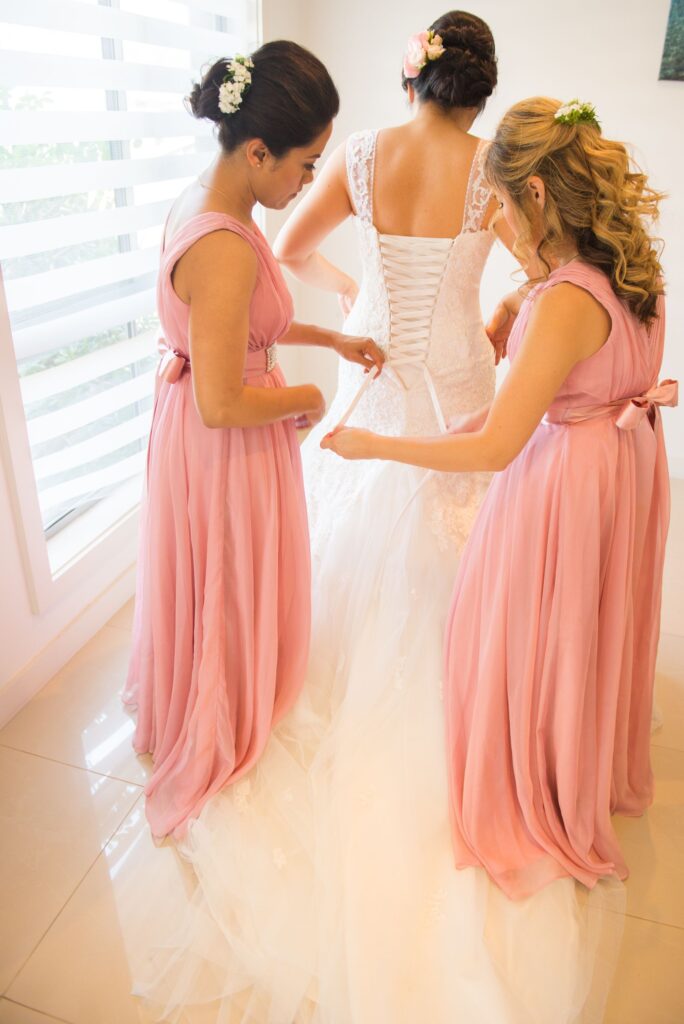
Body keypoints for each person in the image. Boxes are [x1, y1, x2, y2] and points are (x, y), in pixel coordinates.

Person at [323, 96, 676, 904]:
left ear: (540, 195)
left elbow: (494, 448)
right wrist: (516, 325)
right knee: (592, 617)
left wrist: (377, 445)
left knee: (534, 623)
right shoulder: (634, 269)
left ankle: (538, 770)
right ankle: (577, 749)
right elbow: (576, 380)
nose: (504, 221)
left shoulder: (563, 300)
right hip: (625, 462)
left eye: (506, 202)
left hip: (569, 479)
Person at [123, 40, 383, 841]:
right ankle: (221, 706)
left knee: (219, 575)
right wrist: (308, 397)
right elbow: (223, 400)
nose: (310, 183)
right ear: (260, 149)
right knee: (228, 575)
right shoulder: (225, 243)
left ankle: (224, 684)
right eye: (306, 166)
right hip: (224, 446)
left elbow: (236, 328)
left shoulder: (210, 201)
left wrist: (328, 341)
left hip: (204, 438)